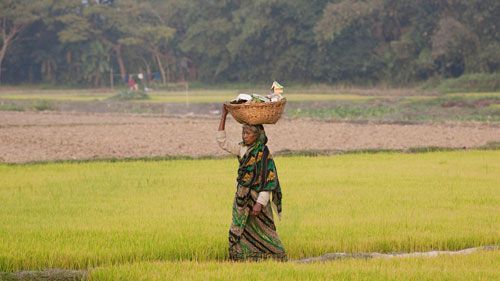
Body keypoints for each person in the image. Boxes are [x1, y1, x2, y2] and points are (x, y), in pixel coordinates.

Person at [217, 105, 287, 261]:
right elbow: (222, 142)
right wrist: (223, 116)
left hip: (256, 200)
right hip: (242, 199)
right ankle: (240, 257)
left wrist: (260, 203)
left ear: (257, 135)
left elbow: (268, 181)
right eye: (243, 132)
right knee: (238, 227)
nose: (244, 136)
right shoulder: (242, 149)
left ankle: (275, 256)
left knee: (264, 228)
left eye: (248, 133)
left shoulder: (263, 154)